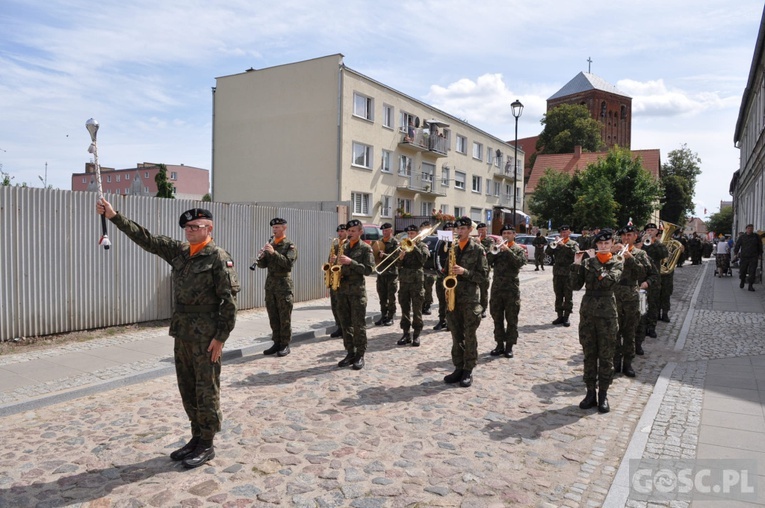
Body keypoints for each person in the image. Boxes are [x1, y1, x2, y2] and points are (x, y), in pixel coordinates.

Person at [96, 199, 240, 468]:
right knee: (187, 387)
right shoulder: (181, 252)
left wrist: (221, 337)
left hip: (207, 337)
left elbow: (229, 302)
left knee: (205, 389)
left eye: (195, 226)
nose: (189, 231)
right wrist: (115, 217)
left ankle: (207, 443)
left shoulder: (219, 257)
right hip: (183, 332)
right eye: (186, 227)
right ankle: (196, 437)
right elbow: (147, 239)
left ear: (209, 228)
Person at [570, 229, 623, 414]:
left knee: (606, 357)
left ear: (611, 244)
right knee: (589, 355)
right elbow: (575, 285)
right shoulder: (586, 262)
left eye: (606, 244)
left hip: (607, 314)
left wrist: (593, 262)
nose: (602, 246)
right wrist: (577, 264)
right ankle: (590, 392)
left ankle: (603, 395)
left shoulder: (616, 261)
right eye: (600, 244)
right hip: (588, 314)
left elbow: (608, 281)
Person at [443, 217, 488, 388]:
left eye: (463, 229)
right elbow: (447, 270)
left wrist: (465, 272)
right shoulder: (452, 247)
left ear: (470, 230)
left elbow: (483, 276)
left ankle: (468, 369)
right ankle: (458, 367)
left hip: (469, 299)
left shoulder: (478, 249)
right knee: (456, 335)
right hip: (454, 296)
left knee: (469, 335)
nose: (459, 232)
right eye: (457, 229)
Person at [612, 225, 656, 377]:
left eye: (629, 235)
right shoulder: (614, 251)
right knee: (615, 331)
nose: (626, 238)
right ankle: (616, 362)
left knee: (630, 332)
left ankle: (628, 364)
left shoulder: (640, 253)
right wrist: (611, 252)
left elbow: (643, 272)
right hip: (615, 295)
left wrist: (630, 259)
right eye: (624, 236)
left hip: (631, 295)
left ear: (635, 236)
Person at [334, 219, 375, 370]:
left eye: (353, 231)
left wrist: (351, 262)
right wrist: (334, 262)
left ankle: (360, 354)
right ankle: (350, 352)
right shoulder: (343, 246)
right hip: (342, 291)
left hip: (357, 292)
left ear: (360, 232)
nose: (350, 234)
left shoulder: (366, 249)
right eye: (349, 231)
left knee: (358, 324)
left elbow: (369, 270)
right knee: (345, 324)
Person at [255, 217, 298, 357]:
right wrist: (261, 257)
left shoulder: (289, 246)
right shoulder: (271, 244)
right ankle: (276, 342)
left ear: (284, 228)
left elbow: (287, 264)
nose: (275, 230)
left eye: (277, 227)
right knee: (273, 315)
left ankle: (285, 344)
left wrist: (274, 253)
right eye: (273, 228)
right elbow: (263, 265)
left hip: (284, 284)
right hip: (270, 285)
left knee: (284, 316)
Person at [486, 225, 526, 358]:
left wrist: (508, 250)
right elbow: (487, 262)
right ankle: (499, 344)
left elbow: (519, 263)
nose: (506, 235)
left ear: (514, 235)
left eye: (509, 233)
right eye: (504, 233)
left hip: (511, 289)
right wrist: (493, 250)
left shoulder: (518, 249)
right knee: (497, 317)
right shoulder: (496, 248)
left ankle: (509, 346)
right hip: (497, 288)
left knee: (511, 318)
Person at [396, 224, 430, 346]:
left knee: (417, 310)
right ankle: (406, 334)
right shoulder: (403, 246)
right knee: (404, 309)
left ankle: (416, 334)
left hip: (416, 282)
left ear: (417, 234)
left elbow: (423, 260)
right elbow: (397, 266)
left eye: (412, 234)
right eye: (409, 234)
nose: (410, 236)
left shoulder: (422, 246)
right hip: (404, 282)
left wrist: (414, 247)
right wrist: (400, 258)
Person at [545, 225, 579, 326]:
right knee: (558, 295)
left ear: (569, 233)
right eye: (562, 232)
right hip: (557, 273)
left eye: (565, 232)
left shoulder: (573, 244)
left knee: (568, 296)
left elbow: (576, 254)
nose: (563, 234)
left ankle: (566, 316)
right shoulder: (556, 243)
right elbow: (548, 252)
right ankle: (559, 316)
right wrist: (553, 244)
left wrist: (564, 246)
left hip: (568, 273)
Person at [640, 223, 668, 338]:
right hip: (641, 276)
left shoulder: (659, 244)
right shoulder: (641, 242)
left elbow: (664, 254)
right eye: (648, 230)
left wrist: (654, 243)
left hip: (654, 277)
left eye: (652, 230)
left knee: (653, 303)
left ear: (657, 232)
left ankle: (651, 327)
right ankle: (641, 327)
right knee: (642, 304)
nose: (650, 232)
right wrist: (641, 242)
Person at [374, 223, 398, 326]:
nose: (384, 232)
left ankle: (391, 316)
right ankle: (383, 315)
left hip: (391, 273)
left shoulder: (395, 243)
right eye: (383, 231)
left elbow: (396, 258)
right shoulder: (379, 242)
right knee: (382, 296)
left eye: (386, 230)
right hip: (381, 272)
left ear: (391, 231)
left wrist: (385, 255)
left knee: (391, 296)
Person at [433, 221, 454, 331]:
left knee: (451, 300)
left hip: (453, 276)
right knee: (442, 300)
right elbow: (437, 257)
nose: (449, 231)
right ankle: (442, 320)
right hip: (442, 275)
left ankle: (451, 322)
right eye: (446, 230)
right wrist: (440, 269)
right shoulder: (440, 243)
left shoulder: (456, 243)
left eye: (451, 229)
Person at [329, 224, 348, 337]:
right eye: (339, 231)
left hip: (344, 279)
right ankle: (339, 326)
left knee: (343, 306)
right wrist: (331, 261)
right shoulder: (335, 246)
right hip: (335, 278)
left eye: (342, 231)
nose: (340, 234)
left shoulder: (348, 245)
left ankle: (346, 327)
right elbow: (330, 262)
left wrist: (338, 260)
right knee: (335, 304)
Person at [734, 224, 763, 291]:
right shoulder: (742, 237)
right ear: (746, 229)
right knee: (742, 271)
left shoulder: (756, 237)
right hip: (744, 256)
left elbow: (760, 246)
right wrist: (736, 253)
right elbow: (737, 245)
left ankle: (750, 285)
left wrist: (760, 254)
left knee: (752, 271)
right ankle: (742, 280)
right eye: (749, 228)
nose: (750, 230)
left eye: (751, 228)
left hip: (753, 257)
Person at [420, 220, 436, 315]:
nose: (427, 230)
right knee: (420, 288)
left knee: (428, 287)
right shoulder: (419, 238)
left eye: (429, 228)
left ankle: (428, 304)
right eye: (425, 228)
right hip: (420, 267)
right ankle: (421, 305)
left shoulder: (434, 238)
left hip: (429, 267)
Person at [477, 222, 492, 318]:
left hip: (484, 269)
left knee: (483, 290)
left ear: (486, 230)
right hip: (475, 268)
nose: (481, 232)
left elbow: (488, 252)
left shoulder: (490, 240)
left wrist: (479, 244)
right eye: (479, 230)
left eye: (483, 230)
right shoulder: (474, 240)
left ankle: (483, 308)